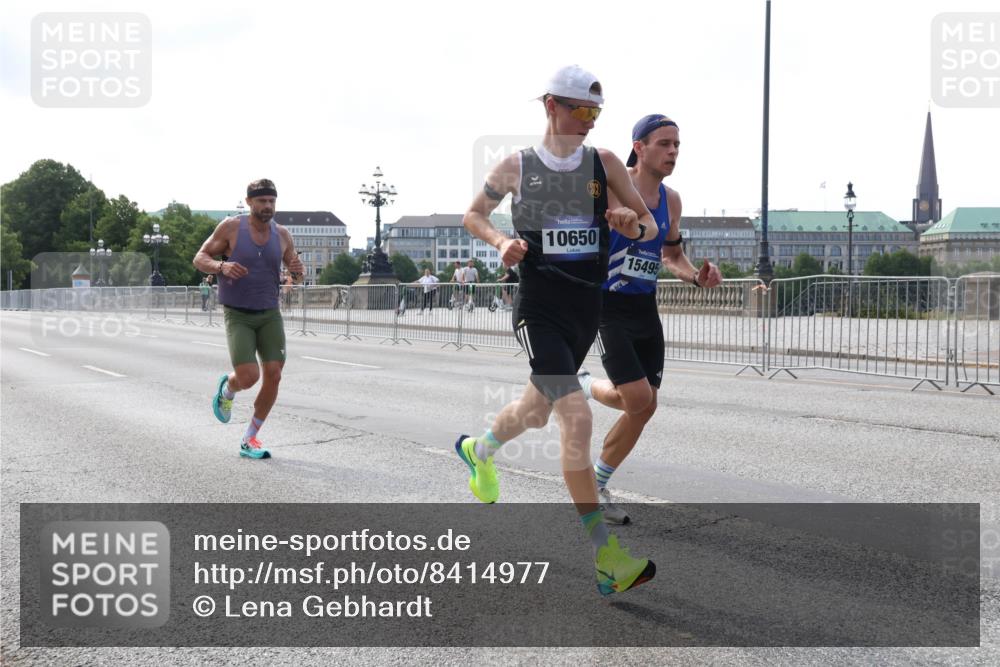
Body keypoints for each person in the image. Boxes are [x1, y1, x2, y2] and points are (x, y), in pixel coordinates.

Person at [455, 65, 660, 597]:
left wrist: (629, 222)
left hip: (586, 310)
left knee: (535, 411)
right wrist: (501, 242)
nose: (590, 120)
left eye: (597, 112)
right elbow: (473, 215)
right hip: (539, 309)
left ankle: (480, 450)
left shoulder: (605, 163)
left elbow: (650, 225)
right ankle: (606, 558)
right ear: (552, 106)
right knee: (576, 416)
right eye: (582, 110)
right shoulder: (517, 167)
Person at [579, 114, 722, 524]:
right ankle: (584, 389)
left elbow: (671, 255)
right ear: (639, 147)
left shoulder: (671, 200)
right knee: (638, 398)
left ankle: (598, 480)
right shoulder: (610, 186)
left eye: (677, 145)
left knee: (645, 406)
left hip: (644, 308)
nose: (673, 151)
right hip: (606, 305)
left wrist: (696, 277)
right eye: (664, 143)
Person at [192, 178, 304, 459]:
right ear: (249, 202)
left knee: (274, 375)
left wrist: (298, 271)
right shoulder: (231, 227)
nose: (268, 206)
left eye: (272, 201)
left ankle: (250, 438)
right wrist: (221, 266)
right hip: (238, 313)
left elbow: (297, 275)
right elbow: (200, 258)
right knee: (249, 377)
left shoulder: (282, 235)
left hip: (270, 313)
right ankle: (227, 389)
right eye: (262, 201)